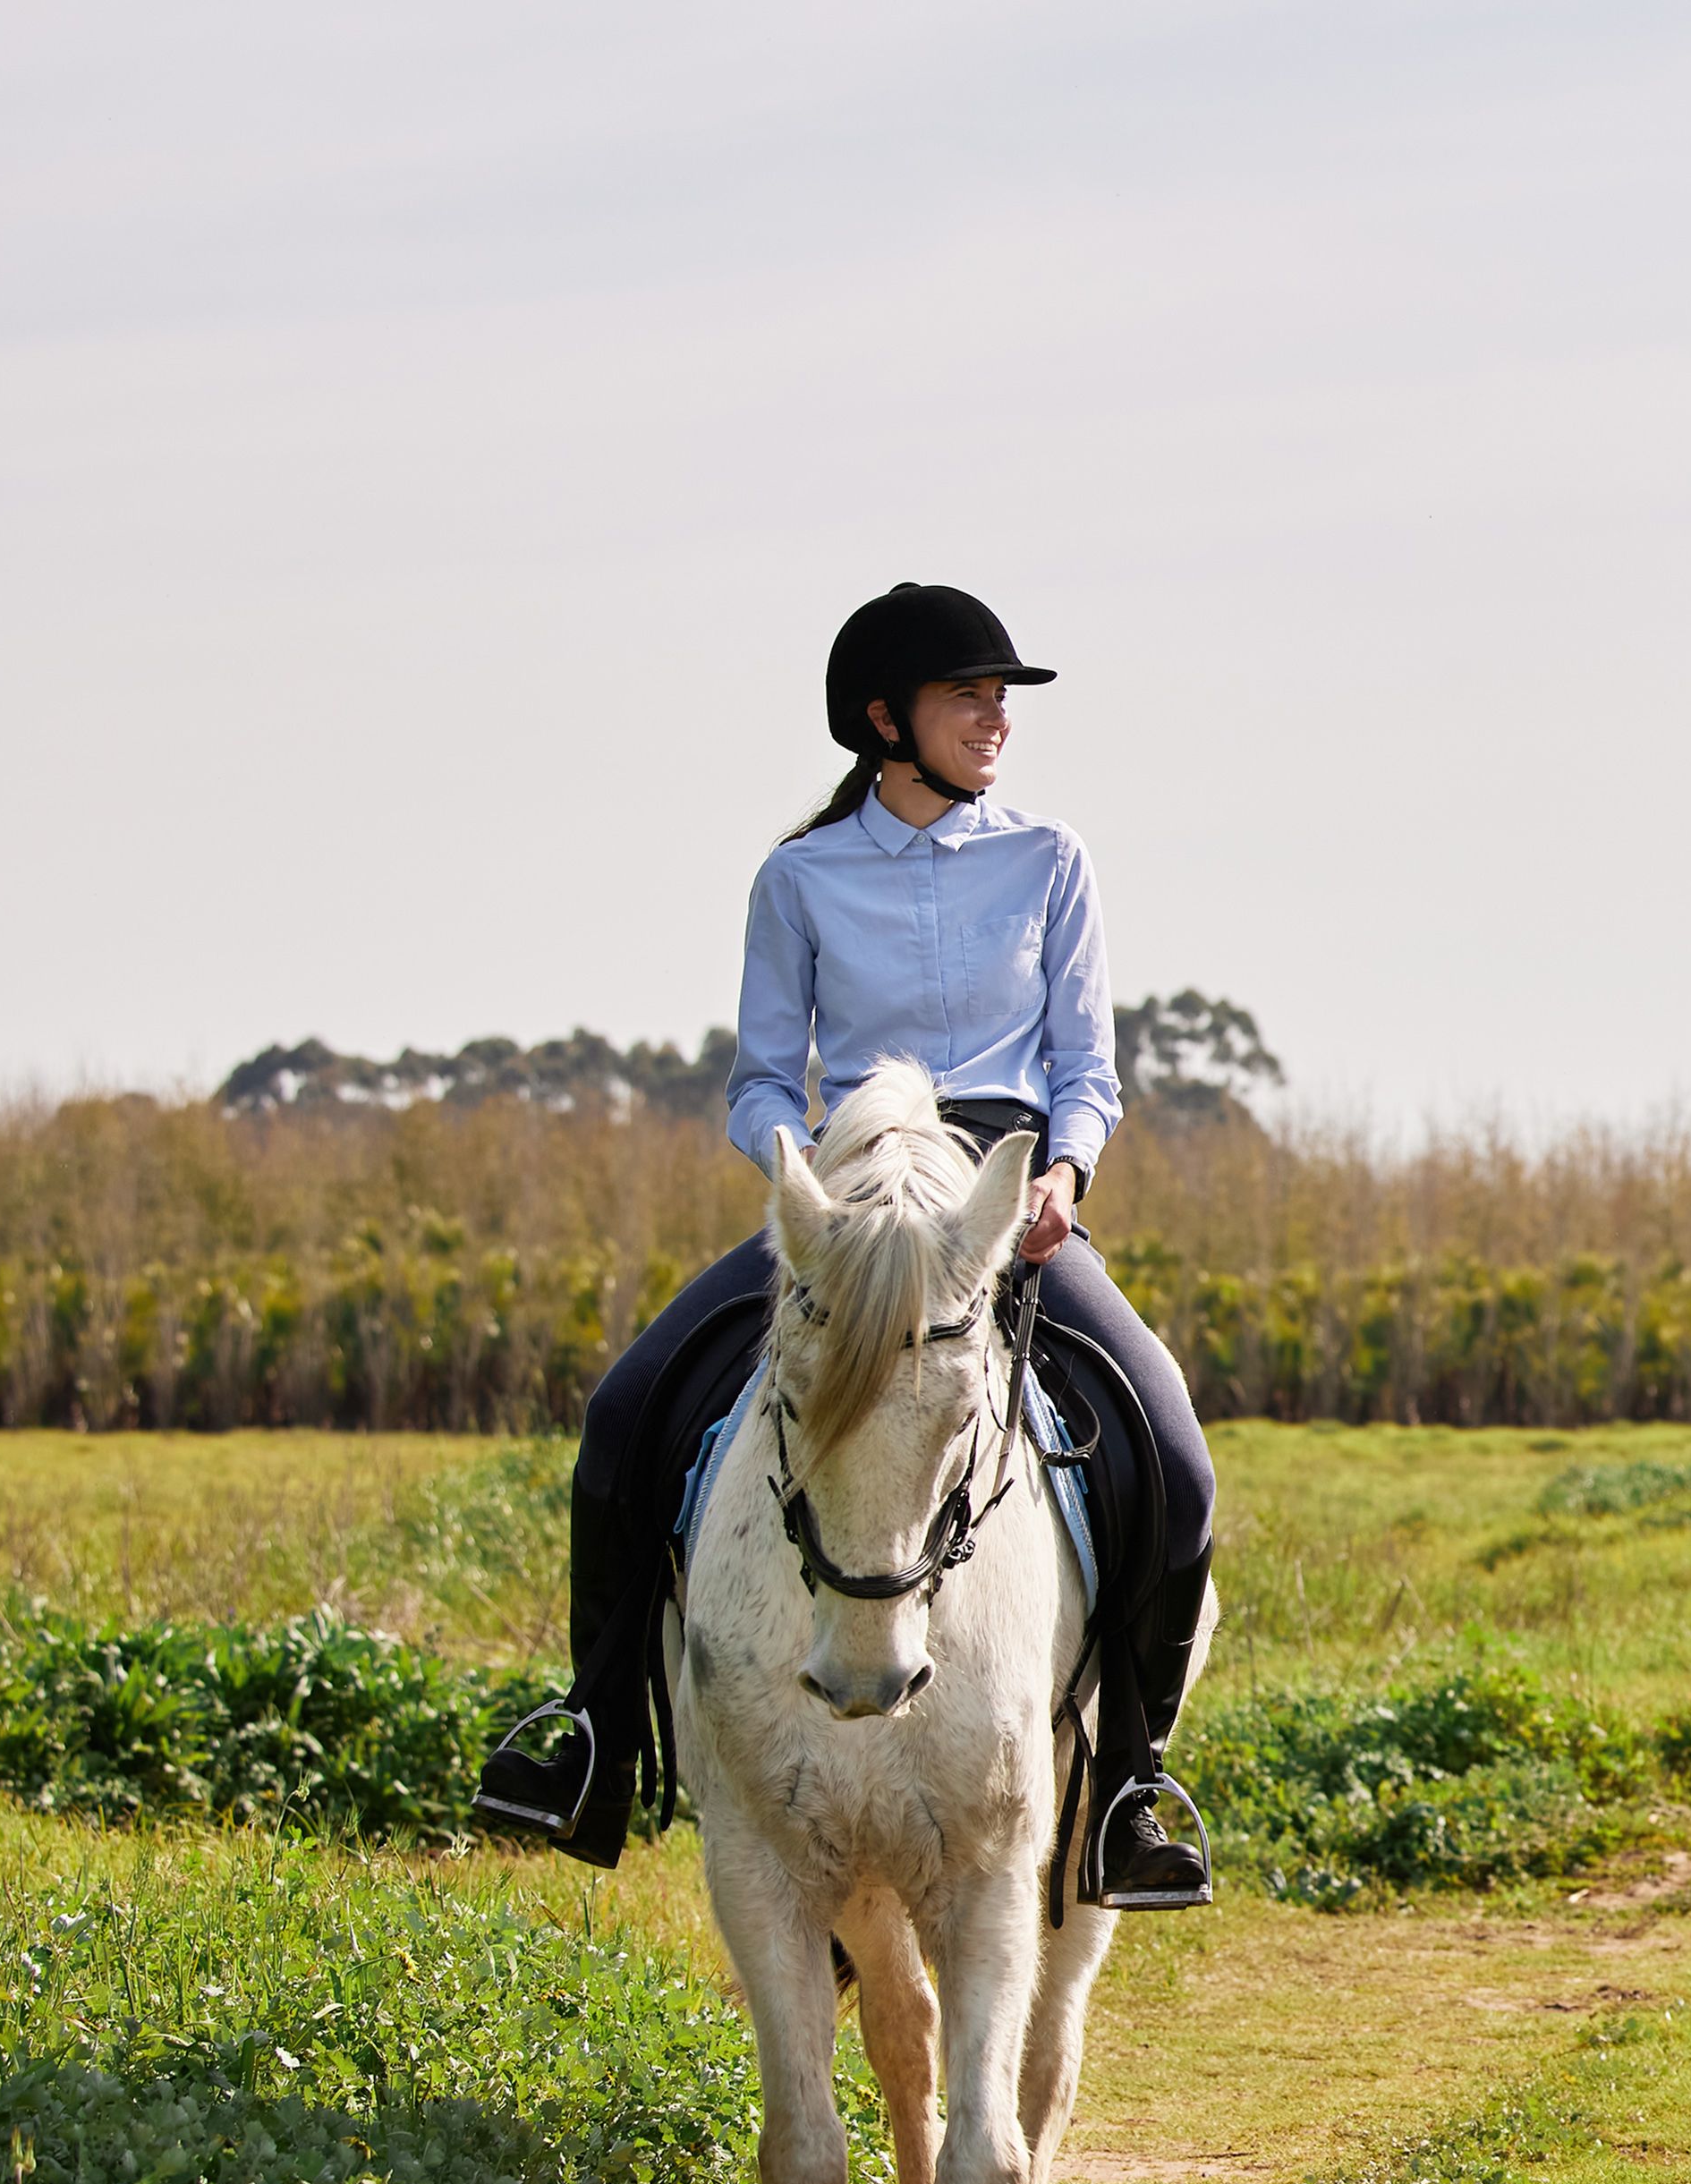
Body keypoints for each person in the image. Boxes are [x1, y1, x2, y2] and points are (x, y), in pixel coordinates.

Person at [473, 581, 1219, 1904]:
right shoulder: (799, 877)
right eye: (969, 694)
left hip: (997, 1202)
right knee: (625, 1413)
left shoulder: (1051, 860)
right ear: (887, 720)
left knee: (1172, 1450)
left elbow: (1087, 1066)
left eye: (1005, 697)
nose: (997, 716)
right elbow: (763, 1077)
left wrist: (1062, 1170)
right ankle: (589, 1732)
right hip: (849, 1203)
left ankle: (1133, 1785)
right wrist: (801, 1184)